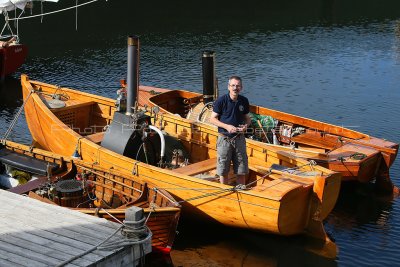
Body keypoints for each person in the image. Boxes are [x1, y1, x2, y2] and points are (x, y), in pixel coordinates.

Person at [209, 76, 251, 186]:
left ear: (241, 87)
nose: (235, 88)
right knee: (223, 170)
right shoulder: (221, 101)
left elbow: (248, 119)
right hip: (224, 139)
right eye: (233, 85)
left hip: (239, 139)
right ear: (228, 87)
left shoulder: (244, 101)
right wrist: (227, 127)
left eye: (238, 86)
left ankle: (241, 190)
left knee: (241, 169)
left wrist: (245, 127)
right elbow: (212, 119)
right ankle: (224, 191)